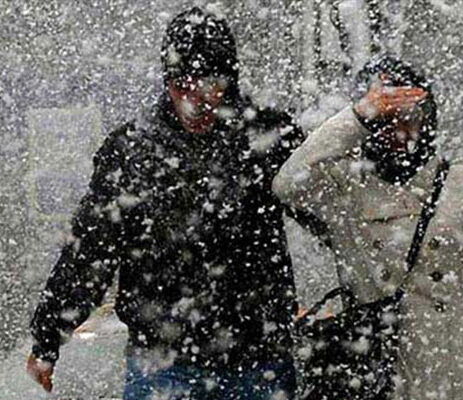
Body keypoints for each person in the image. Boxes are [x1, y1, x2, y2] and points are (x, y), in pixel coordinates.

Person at [27, 7, 303, 399]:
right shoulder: (131, 150)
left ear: (229, 81)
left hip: (256, 359)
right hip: (164, 362)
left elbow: (328, 207)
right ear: (167, 81)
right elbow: (91, 250)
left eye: (207, 85)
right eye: (181, 85)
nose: (194, 101)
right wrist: (48, 337)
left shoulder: (269, 138)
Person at [273, 55, 463, 399]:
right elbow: (286, 184)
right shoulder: (343, 185)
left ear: (428, 119)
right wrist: (357, 115)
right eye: (385, 120)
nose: (400, 132)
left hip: (452, 377)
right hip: (374, 374)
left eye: (410, 117)